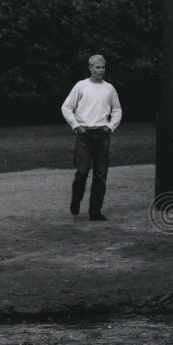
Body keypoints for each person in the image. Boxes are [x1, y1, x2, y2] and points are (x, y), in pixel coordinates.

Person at [61, 55, 122, 221]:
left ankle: (95, 210)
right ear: (90, 68)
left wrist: (109, 128)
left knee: (100, 174)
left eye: (103, 67)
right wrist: (76, 125)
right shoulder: (81, 86)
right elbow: (66, 107)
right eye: (97, 67)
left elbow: (117, 110)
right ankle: (76, 199)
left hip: (102, 134)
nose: (100, 70)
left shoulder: (109, 89)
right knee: (82, 171)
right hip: (84, 134)